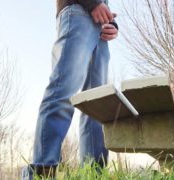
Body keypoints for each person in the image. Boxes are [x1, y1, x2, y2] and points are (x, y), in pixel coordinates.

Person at [22, 0, 118, 179]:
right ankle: (42, 173)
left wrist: (112, 23)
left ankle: (94, 174)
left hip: (101, 28)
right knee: (62, 93)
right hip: (78, 13)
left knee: (97, 105)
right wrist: (93, 3)